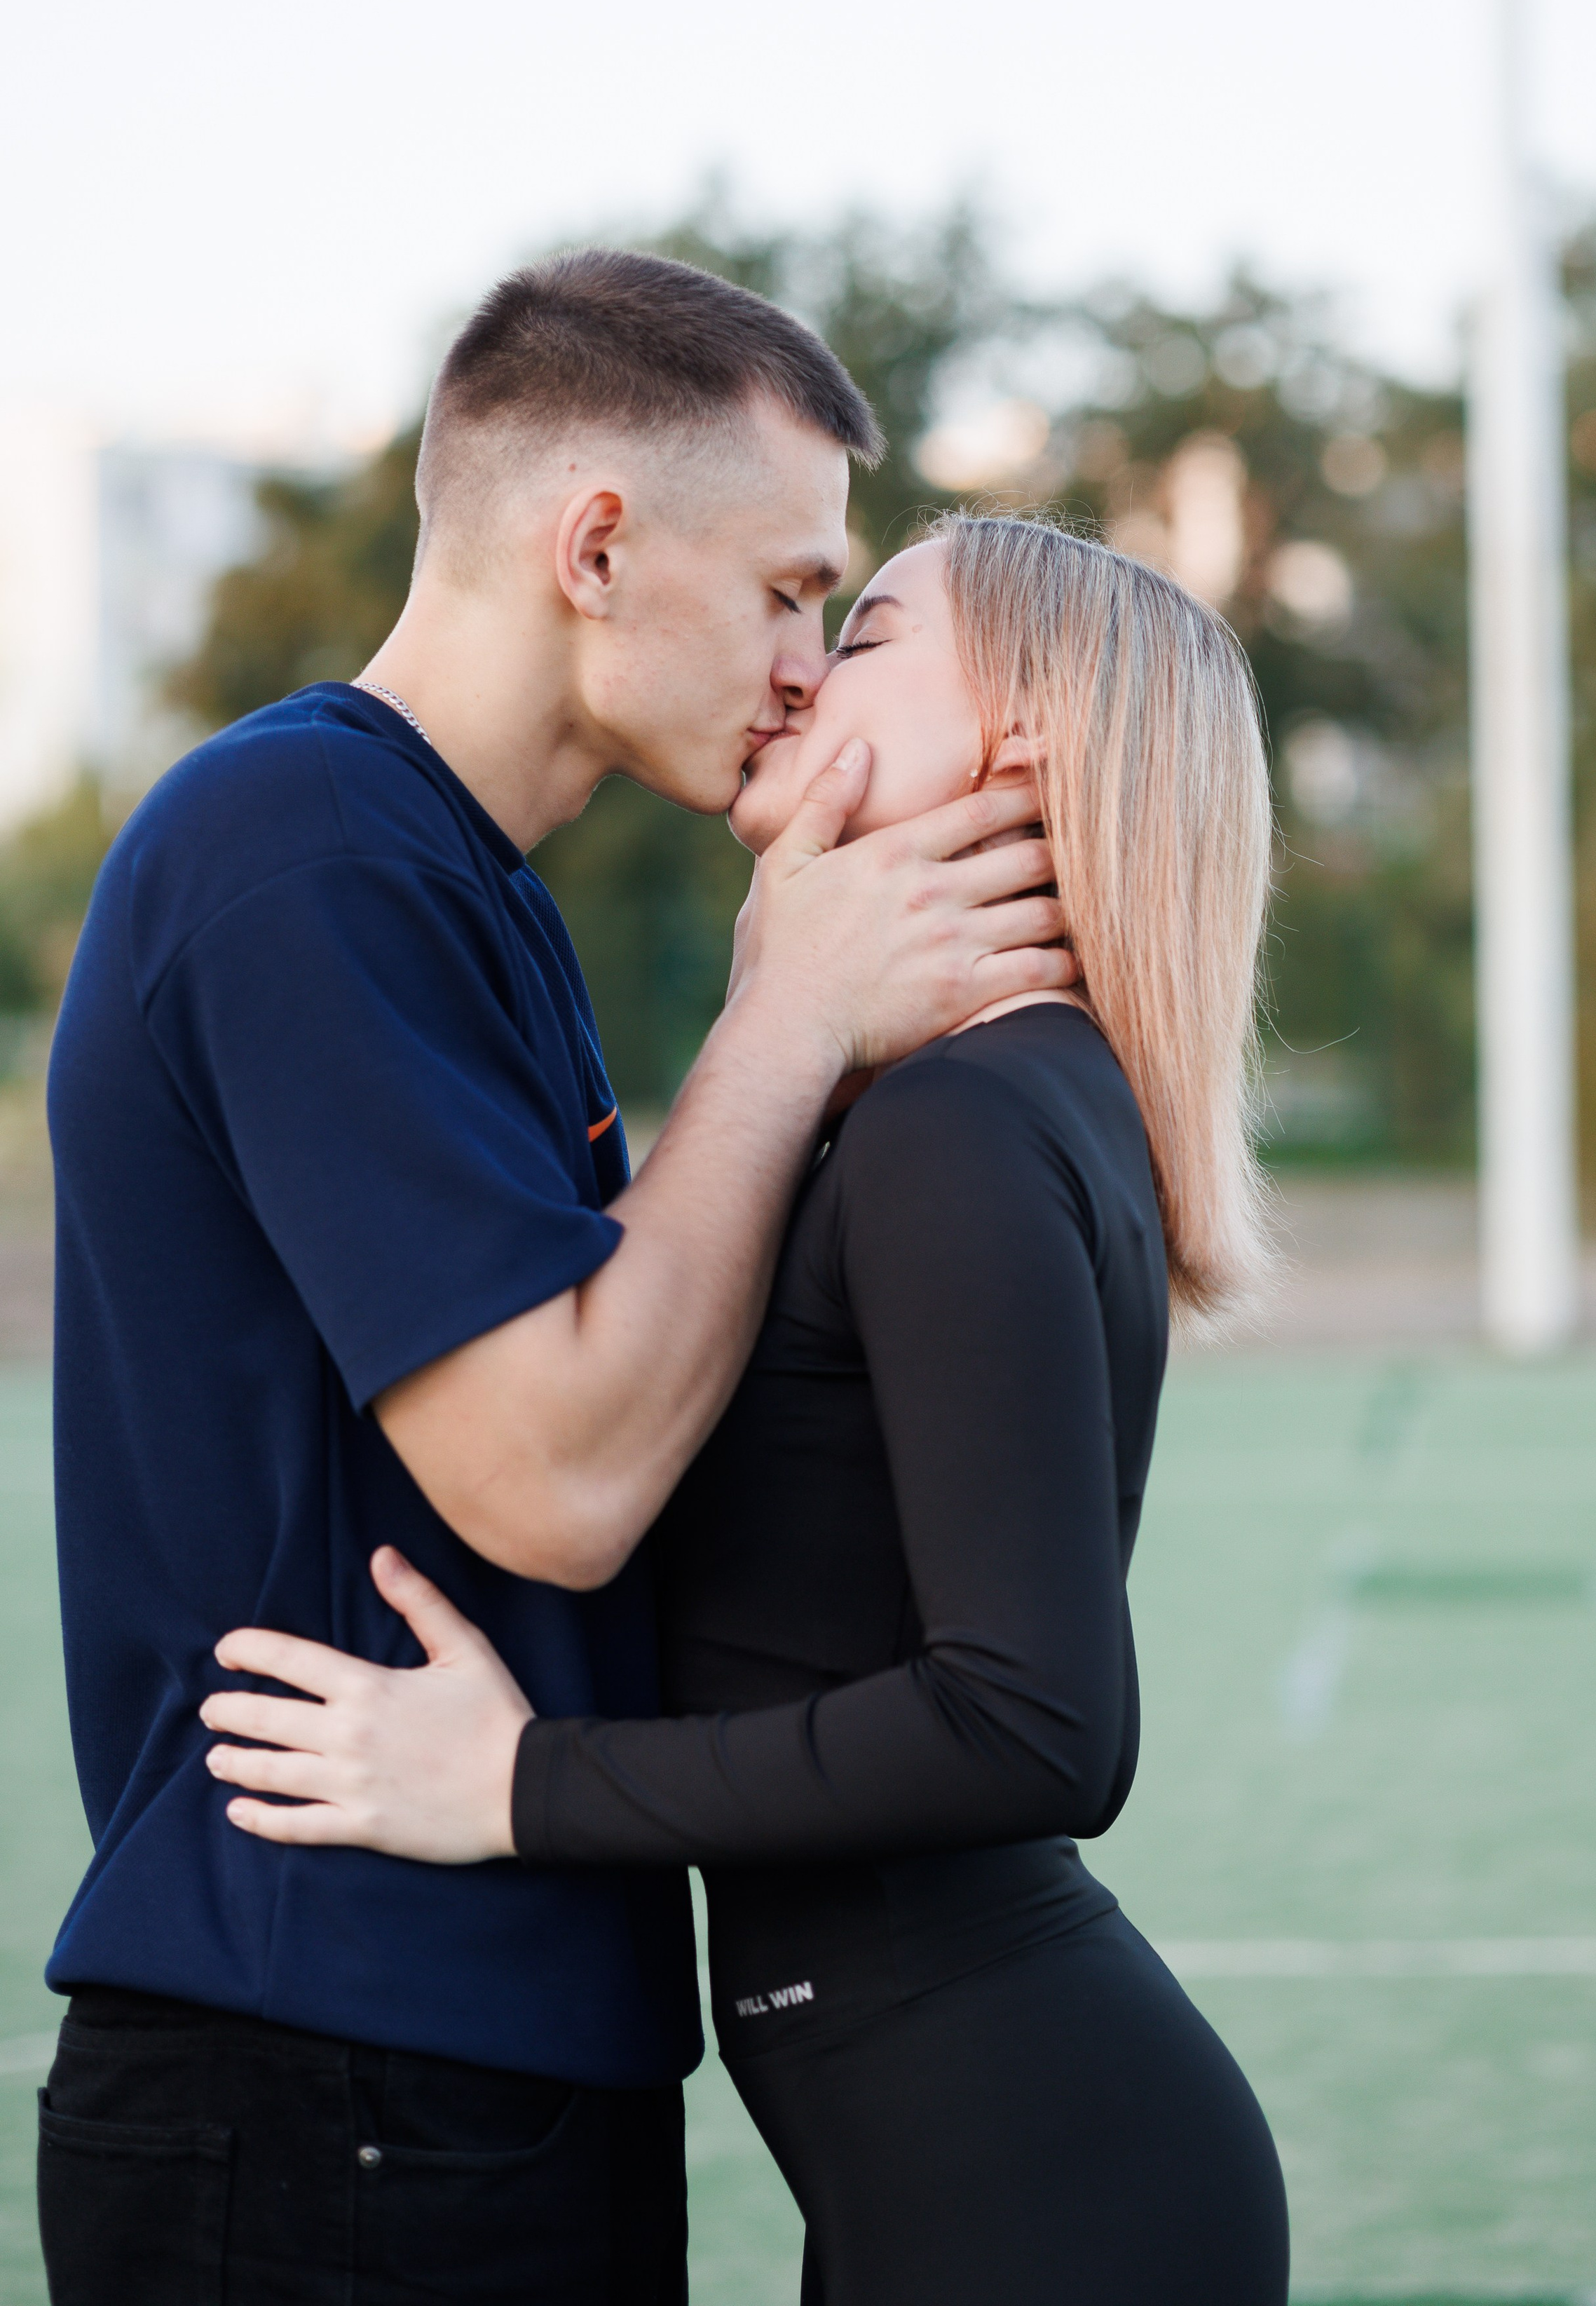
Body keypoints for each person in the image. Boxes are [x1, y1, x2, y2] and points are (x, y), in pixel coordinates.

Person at [37, 254, 1075, 2306]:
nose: (805, 663)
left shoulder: (455, 887)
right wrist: (787, 1019)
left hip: (467, 2053)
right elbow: (563, 1478)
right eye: (791, 591)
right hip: (329, 2057)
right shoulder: (306, 846)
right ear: (597, 543)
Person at [199, 515, 1291, 2305]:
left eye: (858, 638)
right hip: (962, 2144)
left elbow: (1036, 1727)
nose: (799, 672)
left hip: (1028, 2169)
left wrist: (516, 1786)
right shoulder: (979, 1096)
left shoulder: (963, 1123)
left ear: (1015, 743)